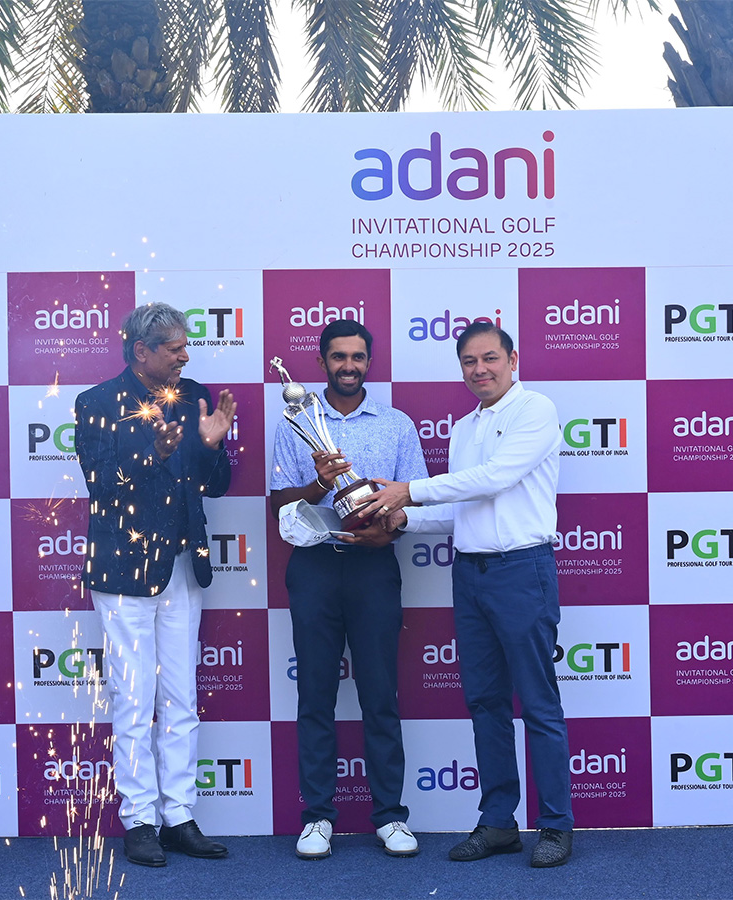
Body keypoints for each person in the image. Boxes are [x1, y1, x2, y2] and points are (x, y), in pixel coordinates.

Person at [356, 321, 574, 868]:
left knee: (540, 706)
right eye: (469, 362)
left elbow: (496, 478)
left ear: (513, 359)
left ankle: (555, 826)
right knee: (484, 703)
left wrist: (408, 489)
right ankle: (499, 822)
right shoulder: (462, 427)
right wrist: (401, 517)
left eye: (489, 358)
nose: (480, 369)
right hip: (471, 574)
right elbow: (459, 510)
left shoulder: (536, 410)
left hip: (523, 570)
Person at [74, 302, 236, 868]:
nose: (185, 355)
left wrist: (213, 448)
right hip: (123, 573)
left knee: (181, 699)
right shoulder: (95, 402)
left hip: (182, 571)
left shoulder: (194, 396)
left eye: (186, 345)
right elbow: (100, 486)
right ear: (141, 351)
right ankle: (139, 819)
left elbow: (215, 487)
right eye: (173, 347)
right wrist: (153, 452)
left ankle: (179, 815)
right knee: (133, 698)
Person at [269, 319, 427, 860]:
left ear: (370, 361)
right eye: (338, 357)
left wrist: (390, 529)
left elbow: (413, 502)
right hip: (313, 568)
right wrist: (319, 479)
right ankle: (317, 818)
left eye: (358, 357)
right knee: (315, 695)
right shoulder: (294, 422)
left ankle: (390, 817)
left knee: (381, 695)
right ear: (321, 362)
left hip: (374, 567)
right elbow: (278, 505)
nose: (348, 366)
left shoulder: (397, 424)